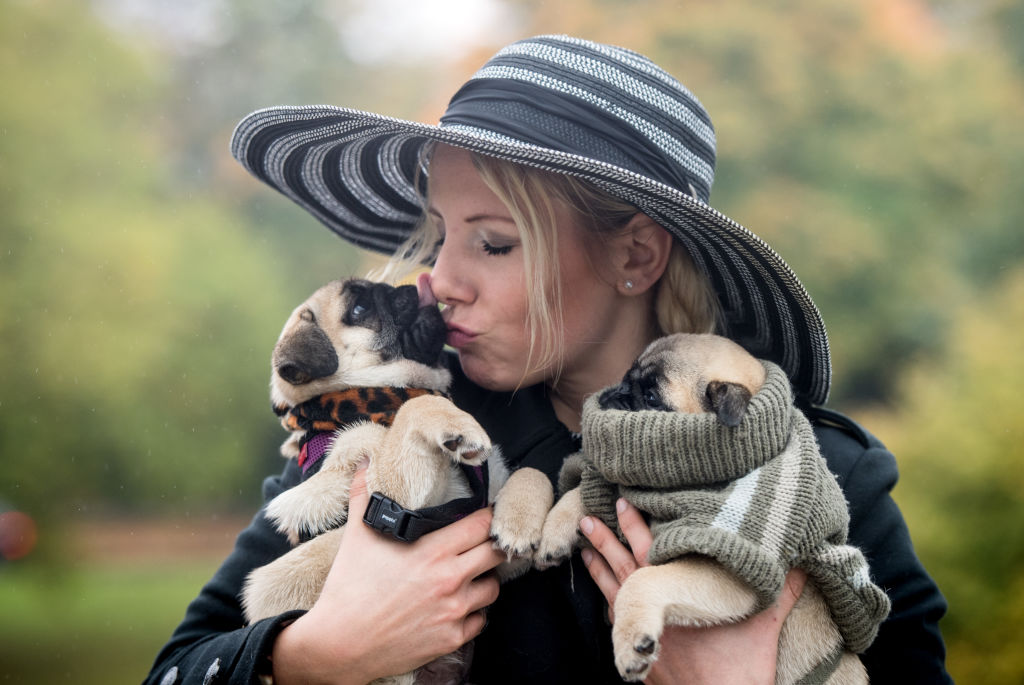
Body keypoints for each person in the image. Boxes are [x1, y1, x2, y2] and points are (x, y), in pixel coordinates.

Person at [145, 35, 952, 684]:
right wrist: (318, 655)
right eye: (439, 234)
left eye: (493, 242)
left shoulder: (821, 477)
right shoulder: (400, 437)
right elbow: (178, 668)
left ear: (636, 253)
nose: (439, 281)